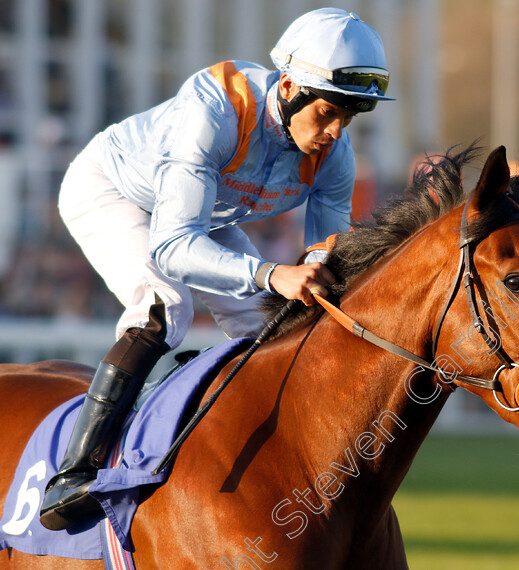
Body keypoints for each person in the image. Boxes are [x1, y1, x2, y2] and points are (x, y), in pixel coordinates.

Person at [39, 7, 393, 530]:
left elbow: (326, 248)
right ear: (290, 86)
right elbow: (174, 247)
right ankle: (74, 473)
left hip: (209, 212)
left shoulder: (334, 155)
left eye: (351, 116)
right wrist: (273, 274)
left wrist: (315, 271)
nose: (336, 132)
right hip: (113, 190)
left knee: (267, 329)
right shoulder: (216, 108)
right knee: (165, 307)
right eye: (328, 112)